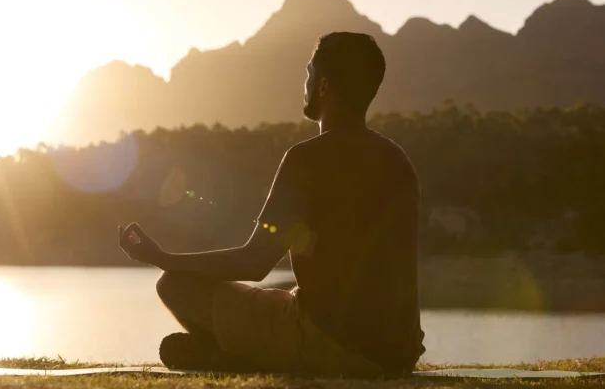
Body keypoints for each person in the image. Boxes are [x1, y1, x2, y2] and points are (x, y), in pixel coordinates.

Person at [117, 32, 425, 378]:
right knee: (280, 300)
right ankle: (238, 353)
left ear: (323, 86)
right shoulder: (397, 161)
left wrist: (163, 259)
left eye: (309, 74)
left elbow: (254, 261)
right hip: (399, 353)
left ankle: (240, 359)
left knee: (174, 284)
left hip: (332, 347)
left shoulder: (307, 159)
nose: (304, 84)